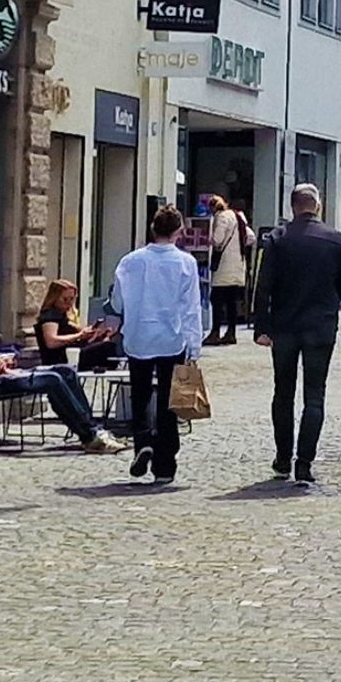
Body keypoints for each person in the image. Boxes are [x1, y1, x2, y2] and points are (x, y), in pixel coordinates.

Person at [0, 272, 122, 453]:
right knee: (52, 379)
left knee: (65, 371)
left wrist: (1, 359)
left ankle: (94, 428)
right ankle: (90, 436)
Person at [253, 183, 341, 487]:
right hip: (320, 328)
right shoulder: (335, 239)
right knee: (315, 395)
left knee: (282, 393)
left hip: (284, 327)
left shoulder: (277, 239)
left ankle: (283, 457)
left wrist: (261, 327)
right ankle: (305, 463)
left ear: (292, 206)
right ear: (318, 206)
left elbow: (263, 286)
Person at [110, 205, 205, 485]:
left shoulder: (130, 261)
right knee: (168, 401)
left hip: (138, 336)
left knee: (139, 395)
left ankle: (143, 442)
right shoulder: (185, 263)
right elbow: (191, 308)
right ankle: (165, 464)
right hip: (171, 337)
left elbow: (117, 302)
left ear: (153, 228)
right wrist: (194, 345)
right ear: (178, 231)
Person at [35, 279, 116, 371]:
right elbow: (51, 341)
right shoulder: (51, 316)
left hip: (72, 354)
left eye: (72, 299)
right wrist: (79, 335)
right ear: (54, 298)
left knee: (107, 346)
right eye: (65, 299)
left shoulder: (63, 316)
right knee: (108, 347)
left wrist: (98, 336)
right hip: (61, 358)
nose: (69, 303)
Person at [204, 191, 250, 346]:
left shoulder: (221, 217)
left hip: (224, 267)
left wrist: (209, 240)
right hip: (238, 266)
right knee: (231, 302)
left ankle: (215, 332)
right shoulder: (238, 216)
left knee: (216, 299)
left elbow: (217, 240)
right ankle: (231, 332)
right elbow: (250, 237)